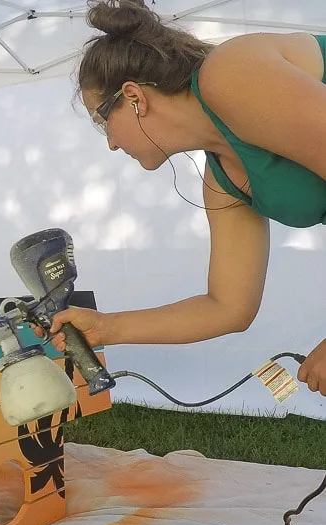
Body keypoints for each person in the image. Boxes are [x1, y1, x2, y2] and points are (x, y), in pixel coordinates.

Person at [42, 0, 326, 396]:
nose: (110, 143)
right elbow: (227, 307)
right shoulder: (221, 178)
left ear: (134, 96)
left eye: (102, 120)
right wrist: (108, 326)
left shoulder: (231, 75)